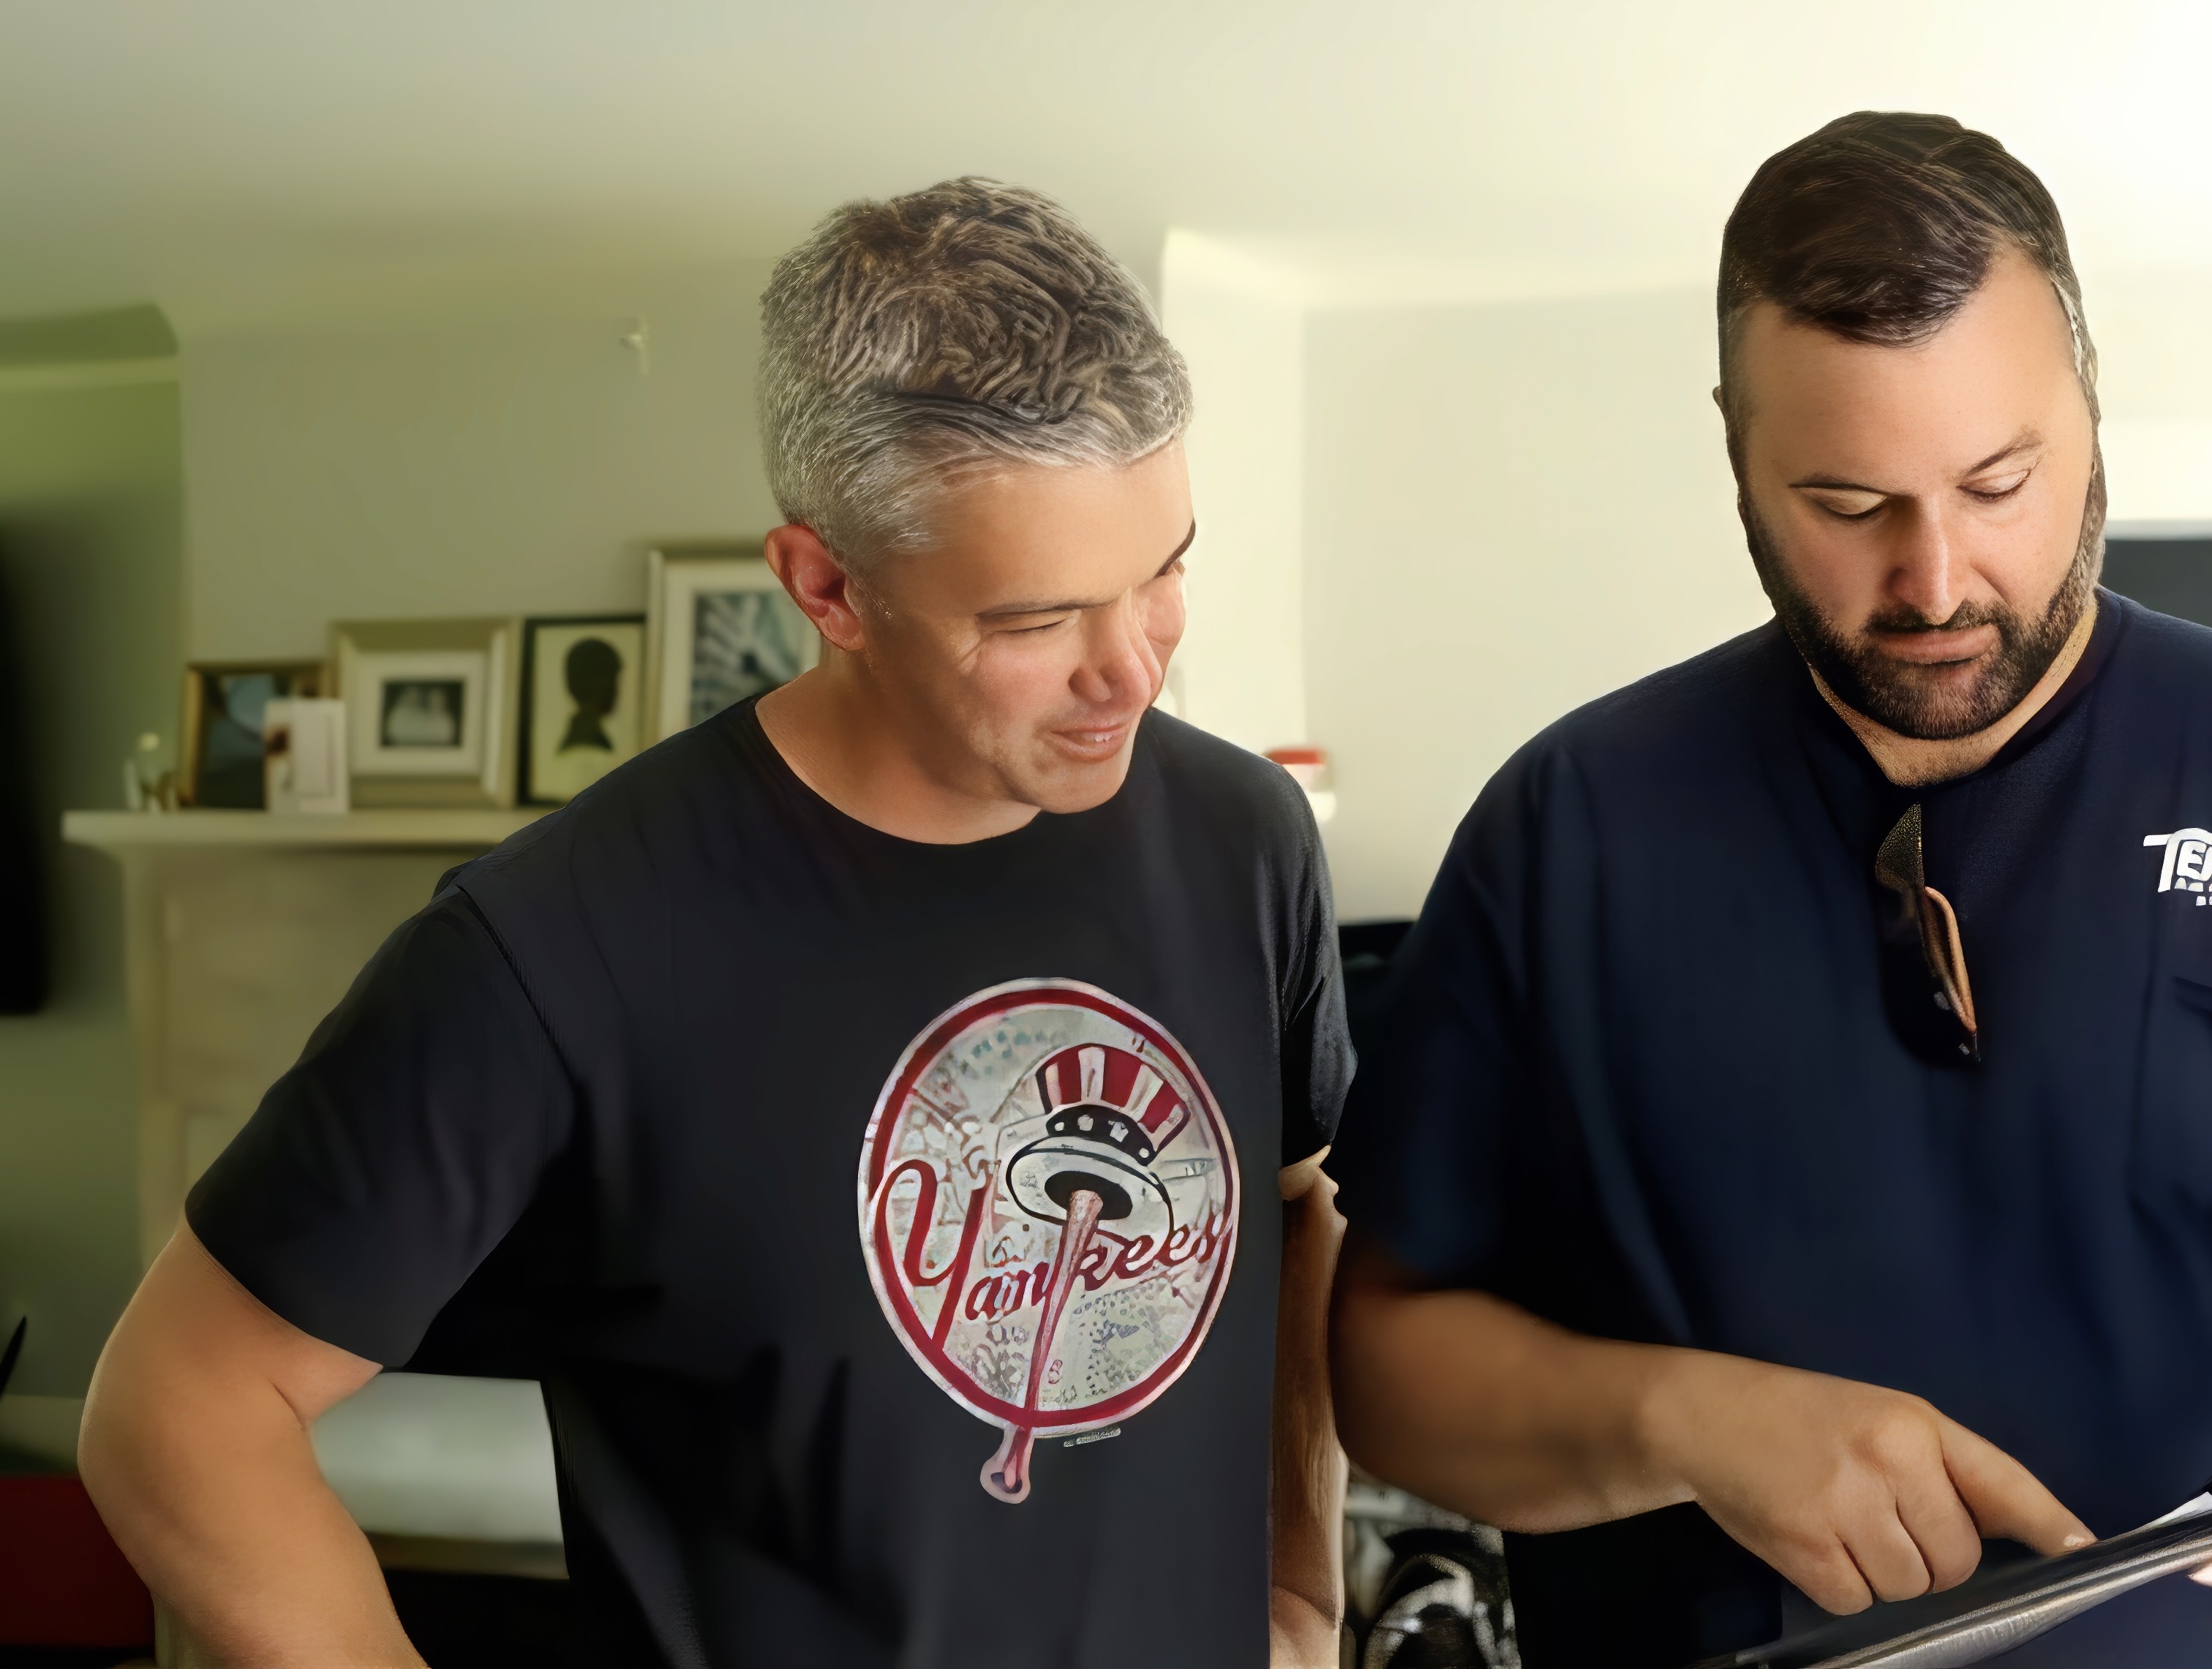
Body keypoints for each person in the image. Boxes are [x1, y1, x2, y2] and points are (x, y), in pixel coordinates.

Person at [1327, 113, 2212, 1668]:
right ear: (1732, 448)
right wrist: (1683, 1419)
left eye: (1999, 481)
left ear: (2087, 409)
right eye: (1847, 506)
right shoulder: (1570, 827)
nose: (1934, 581)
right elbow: (1387, 1358)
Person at [80, 178, 1352, 1669]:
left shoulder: (1239, 838)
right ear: (828, 584)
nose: (1131, 670)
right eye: (1033, 621)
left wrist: (1301, 1596)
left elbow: (1291, 1210)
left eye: (1165, 570)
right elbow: (177, 1408)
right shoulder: (554, 949)